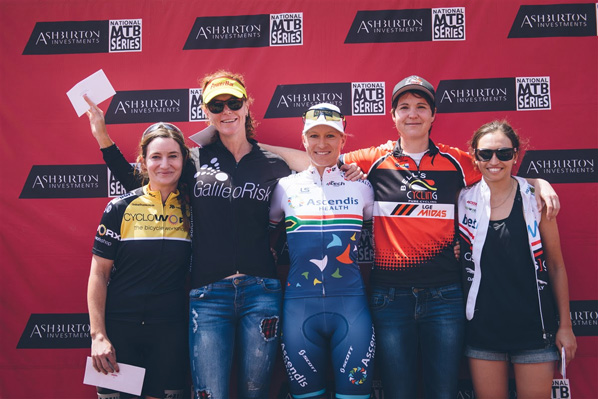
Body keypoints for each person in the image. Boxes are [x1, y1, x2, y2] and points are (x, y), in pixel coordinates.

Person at [259, 75, 560, 399]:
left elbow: (499, 173)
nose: (412, 114)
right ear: (393, 116)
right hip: (390, 297)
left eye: (420, 106)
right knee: (398, 392)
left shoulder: (457, 160)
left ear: (433, 115)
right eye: (404, 107)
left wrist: (537, 182)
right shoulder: (371, 160)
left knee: (442, 393)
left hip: (445, 295)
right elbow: (320, 157)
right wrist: (254, 147)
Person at [84, 70, 291, 399]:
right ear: (207, 112)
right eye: (217, 105)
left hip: (249, 296)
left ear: (247, 106)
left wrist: (252, 144)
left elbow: (313, 166)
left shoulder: (270, 163)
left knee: (254, 391)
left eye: (234, 103)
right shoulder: (191, 163)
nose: (226, 110)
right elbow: (141, 183)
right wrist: (103, 139)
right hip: (189, 303)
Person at [457, 120, 576, 399]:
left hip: (534, 330)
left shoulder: (536, 199)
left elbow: (557, 266)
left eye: (504, 153)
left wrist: (566, 326)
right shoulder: (462, 200)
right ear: (475, 157)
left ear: (516, 156)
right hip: (482, 330)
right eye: (485, 154)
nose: (494, 160)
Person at [269, 104, 375, 399]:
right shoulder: (284, 188)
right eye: (314, 135)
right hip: (299, 311)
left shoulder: (361, 187)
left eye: (331, 136)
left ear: (343, 141)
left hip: (352, 307)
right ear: (303, 141)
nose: (322, 143)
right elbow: (264, 233)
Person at [86, 121, 191, 399]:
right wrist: (98, 336)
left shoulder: (195, 207)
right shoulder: (120, 207)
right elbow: (98, 273)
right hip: (120, 333)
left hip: (170, 333)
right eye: (155, 156)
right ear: (143, 162)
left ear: (184, 159)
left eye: (173, 156)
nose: (164, 164)